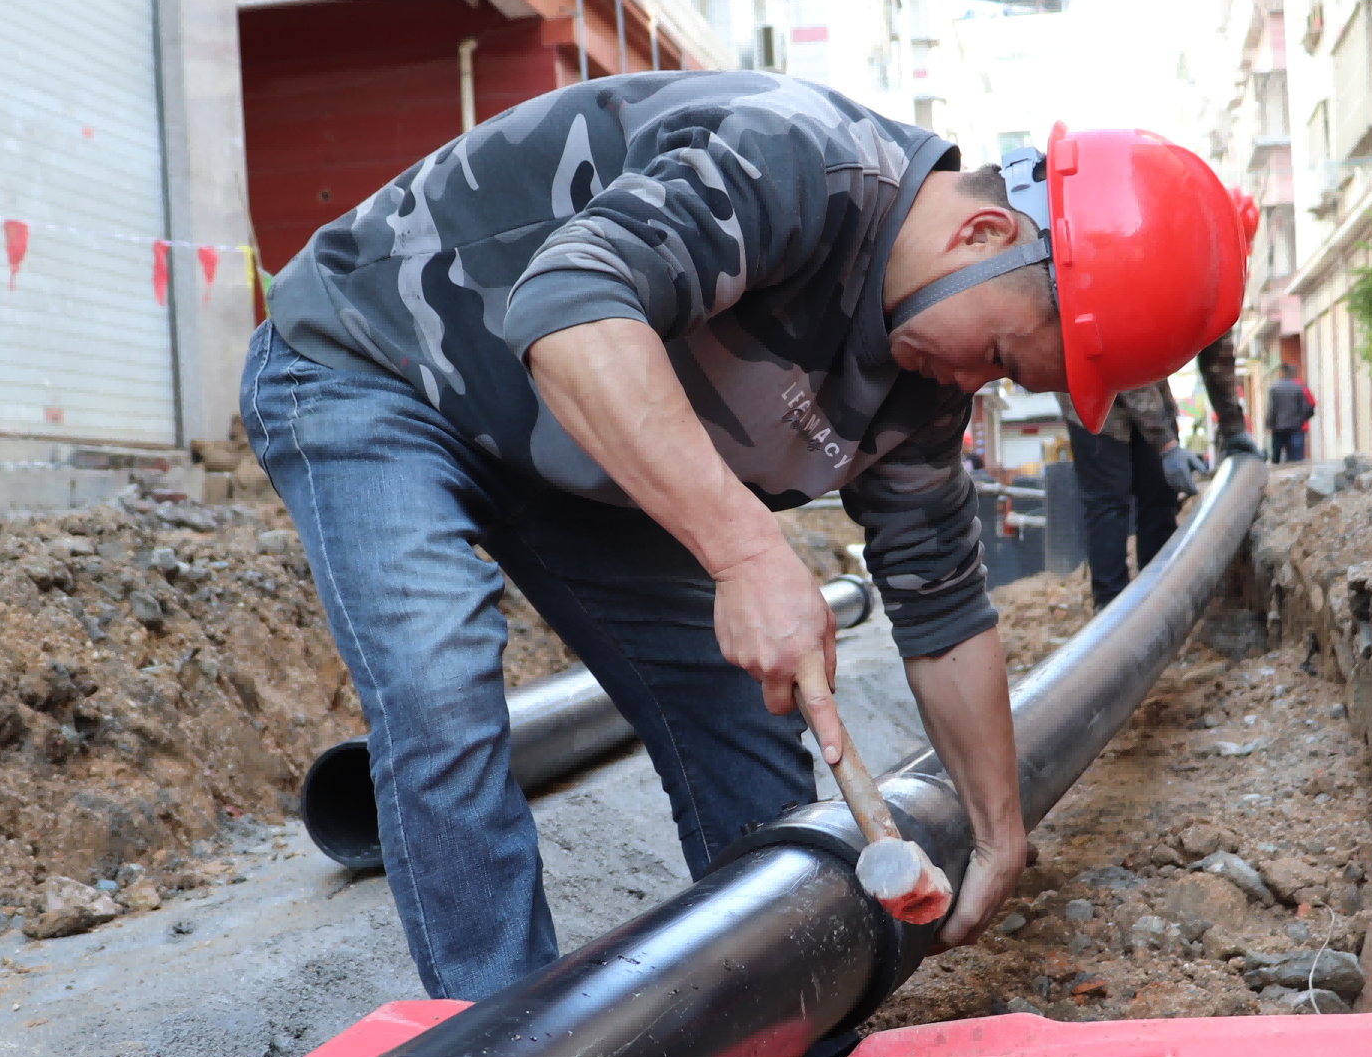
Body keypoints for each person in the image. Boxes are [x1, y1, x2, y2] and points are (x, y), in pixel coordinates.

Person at [243, 77, 1244, 1001]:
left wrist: (998, 829)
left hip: (565, 442)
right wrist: (748, 554)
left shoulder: (923, 387)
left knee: (735, 697)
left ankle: (780, 1022)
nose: (976, 383)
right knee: (440, 686)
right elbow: (570, 308)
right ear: (983, 233)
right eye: (998, 355)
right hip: (375, 362)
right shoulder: (797, 163)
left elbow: (941, 604)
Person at [1064, 332, 1254, 609]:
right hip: (1090, 384)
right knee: (1108, 504)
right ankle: (1111, 608)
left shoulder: (1214, 307)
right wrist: (1165, 443)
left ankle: (1158, 602)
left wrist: (1233, 427)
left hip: (1148, 383)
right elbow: (1123, 358)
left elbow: (1217, 354)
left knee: (1160, 493)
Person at [1265, 362, 1315, 462]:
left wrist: (1269, 425)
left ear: (1281, 373)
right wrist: (1301, 420)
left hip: (1278, 428)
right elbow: (1306, 407)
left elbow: (1272, 409)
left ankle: (1277, 471)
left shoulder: (1274, 388)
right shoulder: (1298, 387)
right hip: (1296, 427)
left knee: (1276, 457)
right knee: (1297, 457)